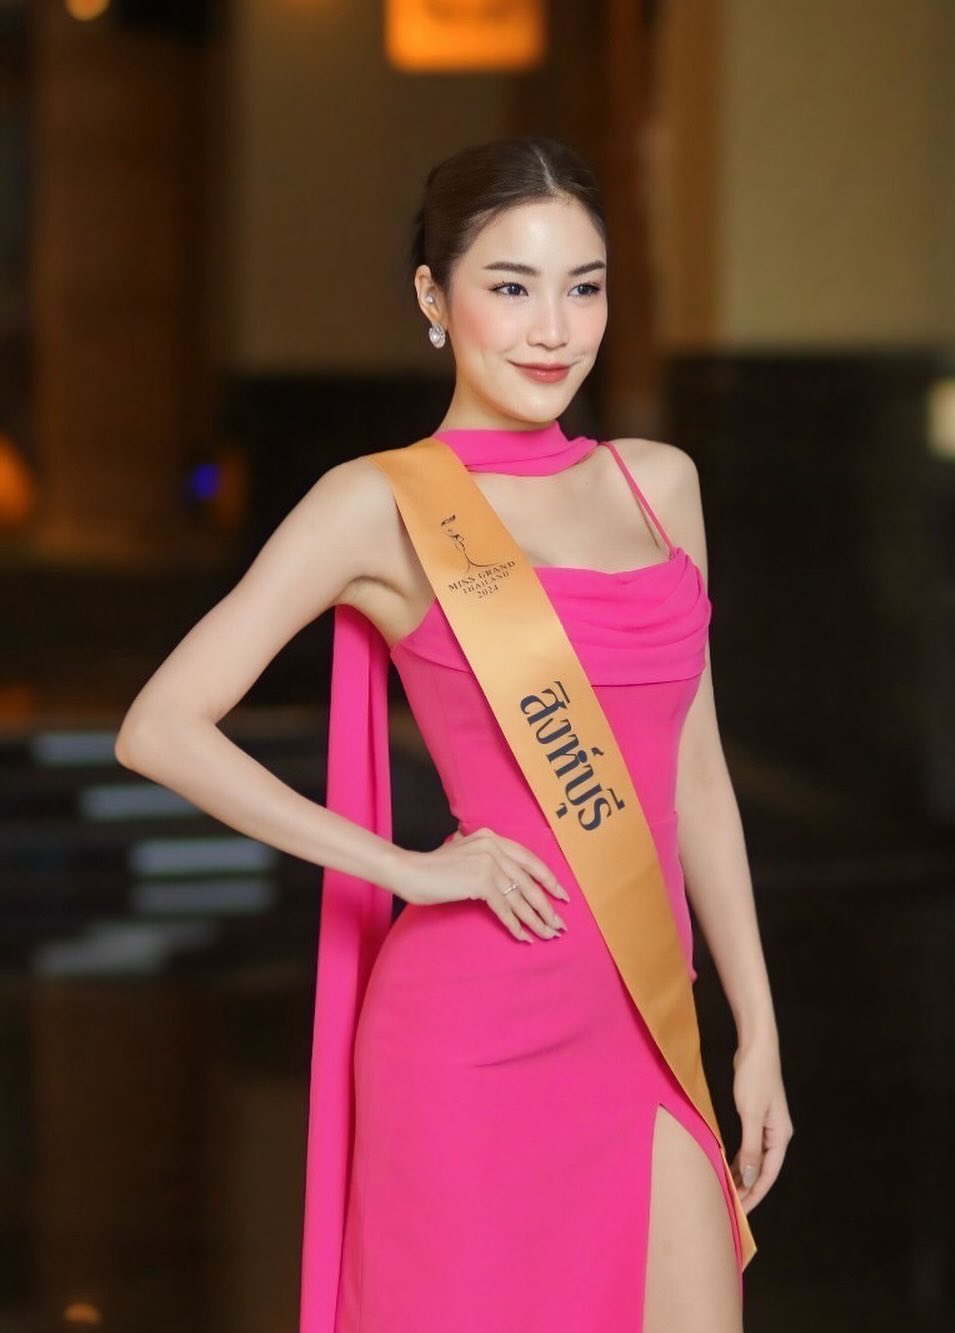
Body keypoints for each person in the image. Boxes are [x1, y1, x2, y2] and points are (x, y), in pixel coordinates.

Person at [115, 135, 792, 1333]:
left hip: (645, 1025)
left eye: (584, 287)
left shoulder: (658, 483)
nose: (553, 330)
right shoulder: (377, 503)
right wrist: (408, 868)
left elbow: (694, 771)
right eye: (511, 286)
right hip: (472, 1032)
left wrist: (758, 1030)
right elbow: (160, 727)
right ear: (434, 297)